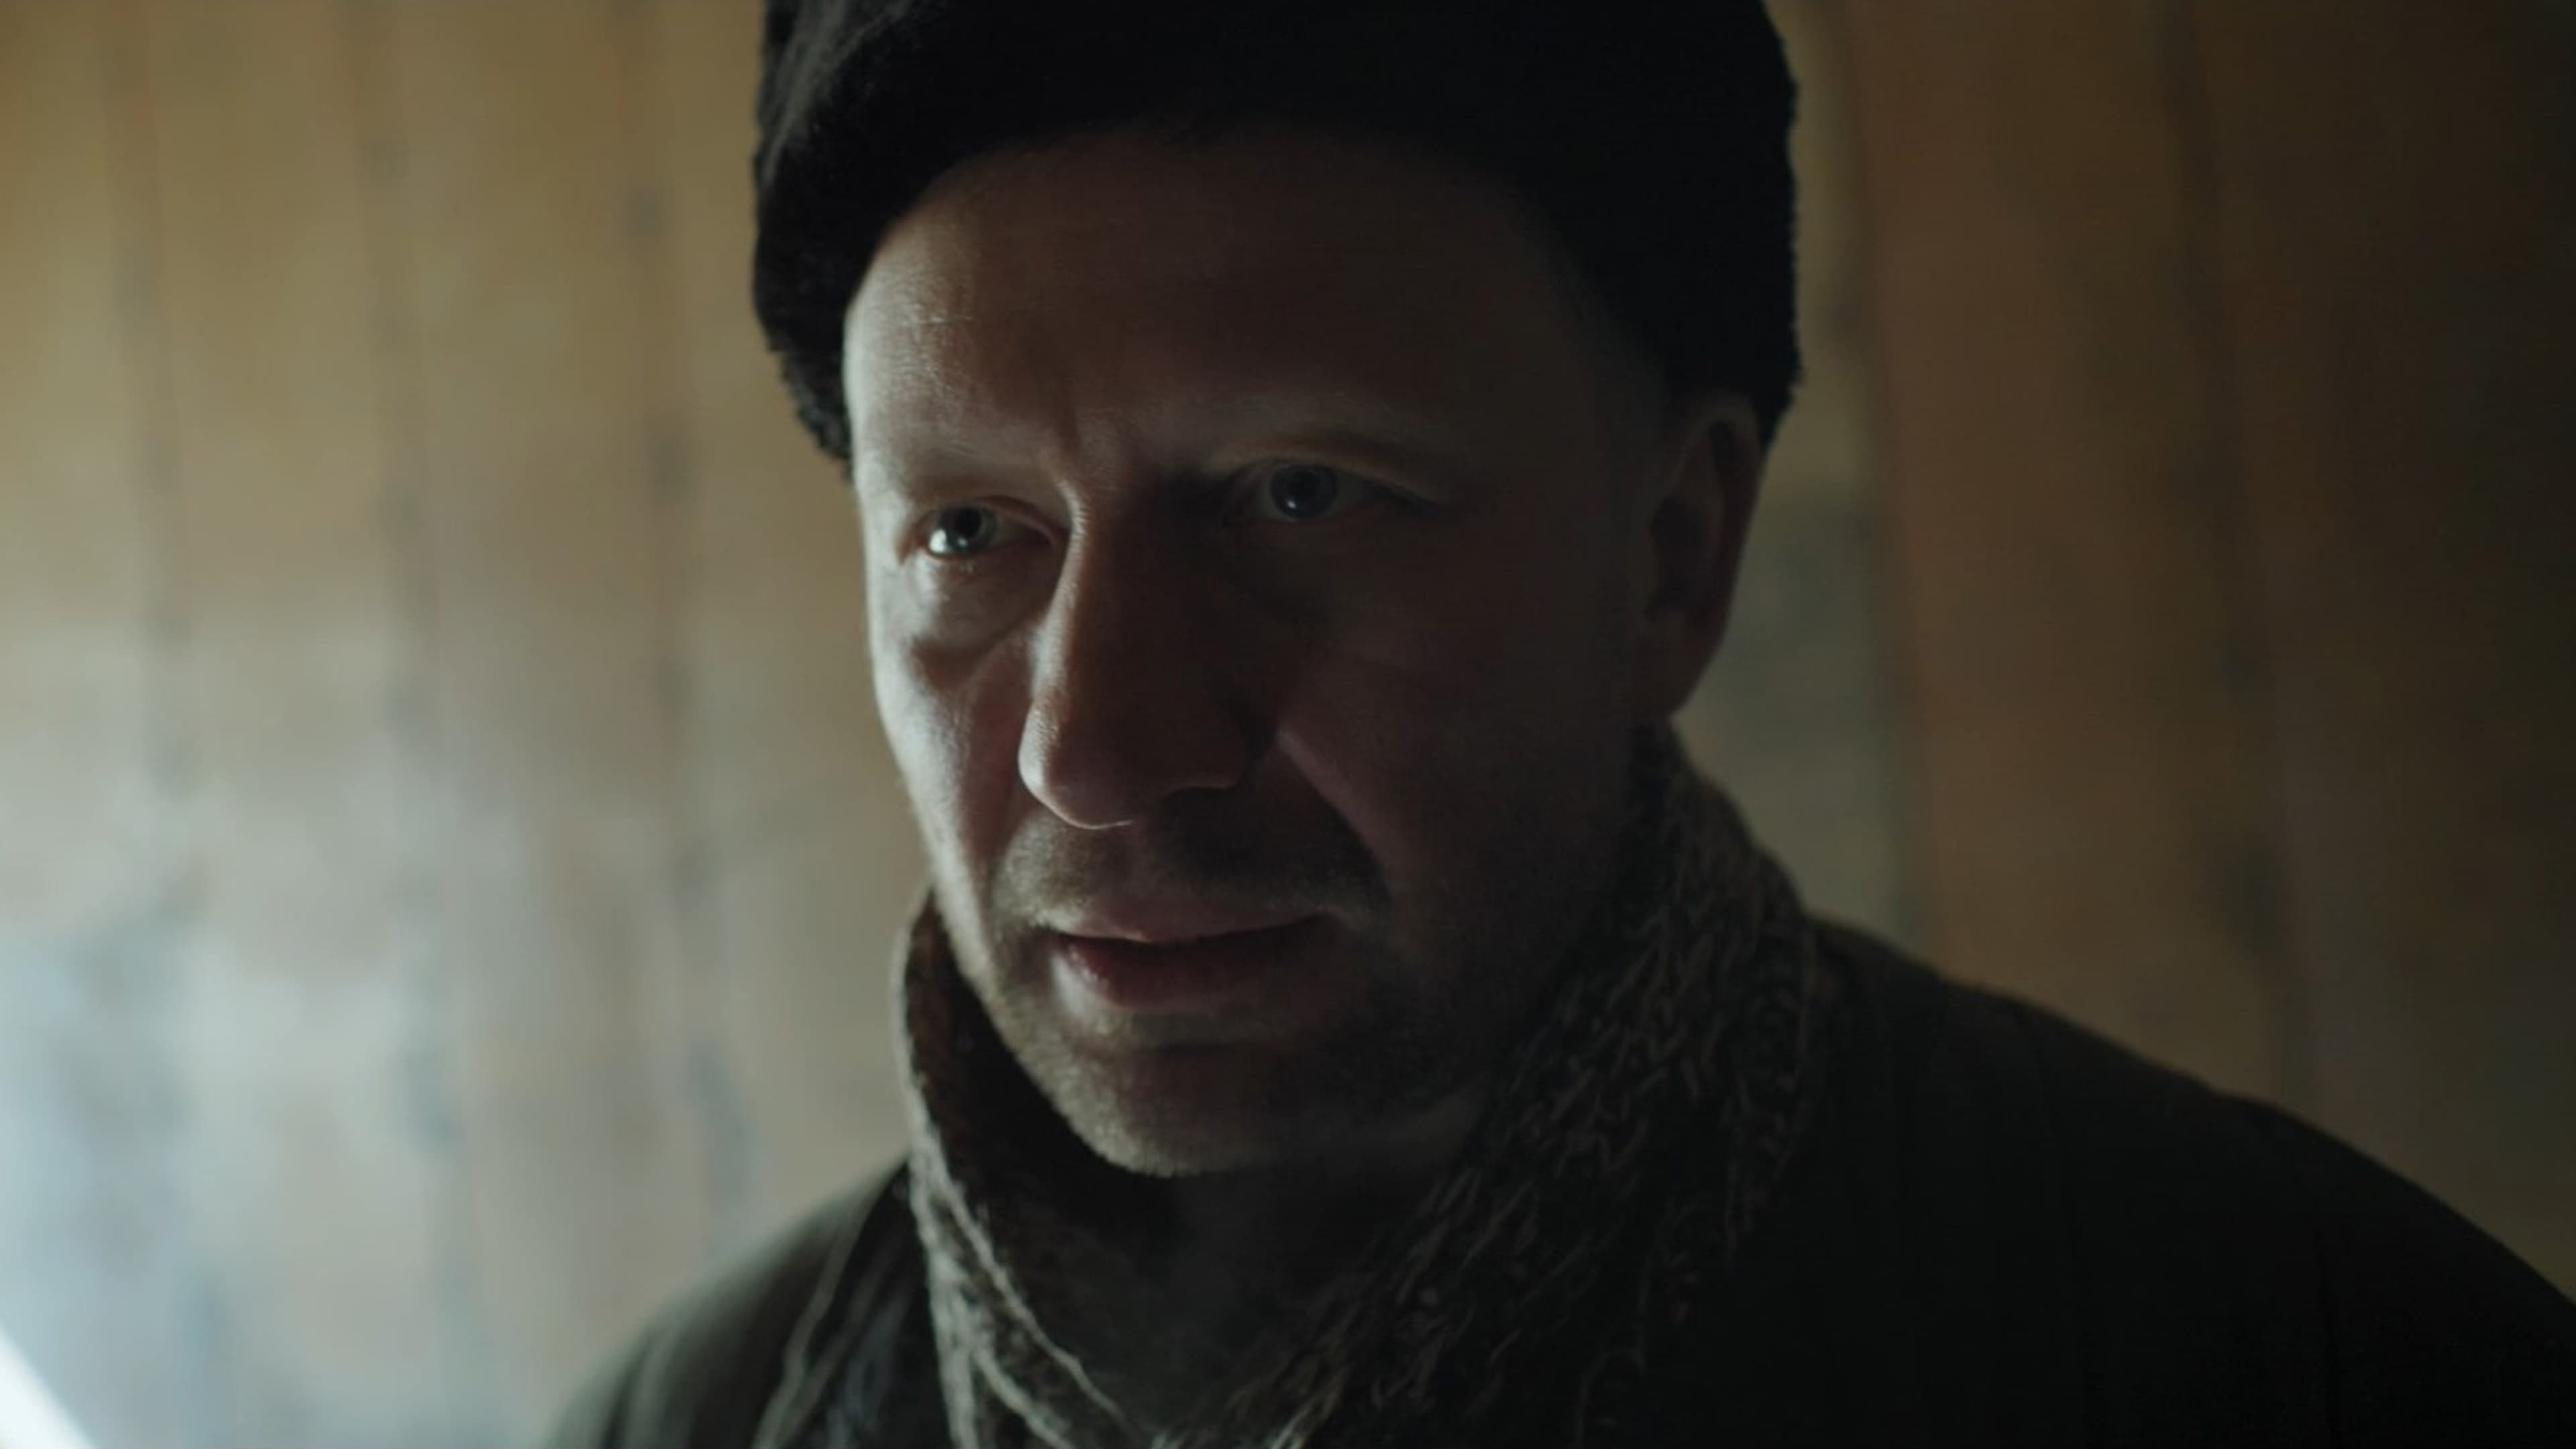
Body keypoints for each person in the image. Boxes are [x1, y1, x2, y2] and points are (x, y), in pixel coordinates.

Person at [550, 1, 2576, 1444]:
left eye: (1298, 495)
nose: (1092, 748)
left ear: (1672, 558)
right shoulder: (690, 1419)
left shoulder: (2306, 1366)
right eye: (969, 533)